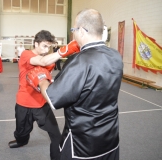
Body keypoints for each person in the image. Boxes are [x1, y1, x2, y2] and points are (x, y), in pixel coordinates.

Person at [26, 9, 123, 160]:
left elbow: (53, 98)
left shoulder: (78, 61)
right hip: (110, 138)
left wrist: (40, 80)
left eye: (74, 30)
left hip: (82, 143)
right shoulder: (115, 55)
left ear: (82, 31)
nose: (73, 34)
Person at [8, 30, 65, 160]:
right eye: (44, 46)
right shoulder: (26, 54)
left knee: (56, 134)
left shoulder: (48, 60)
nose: (47, 49)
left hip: (41, 104)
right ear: (36, 43)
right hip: (24, 103)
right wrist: (65, 50)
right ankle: (22, 141)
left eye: (49, 47)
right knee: (21, 132)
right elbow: (43, 61)